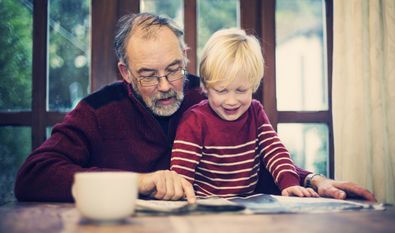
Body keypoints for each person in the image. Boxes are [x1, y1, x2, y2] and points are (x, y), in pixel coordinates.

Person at [14, 12, 376, 203]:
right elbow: (34, 176)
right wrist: (138, 183)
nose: (167, 86)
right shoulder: (98, 110)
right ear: (125, 72)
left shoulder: (211, 94)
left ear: (186, 56)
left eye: (173, 69)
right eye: (148, 75)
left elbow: (254, 156)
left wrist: (313, 180)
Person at [170, 28, 320, 198]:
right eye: (221, 91)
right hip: (205, 205)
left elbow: (274, 150)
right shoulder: (195, 119)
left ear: (253, 85)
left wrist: (289, 183)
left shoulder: (255, 112)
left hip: (248, 204)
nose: (232, 101)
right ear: (205, 87)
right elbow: (181, 174)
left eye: (241, 90)